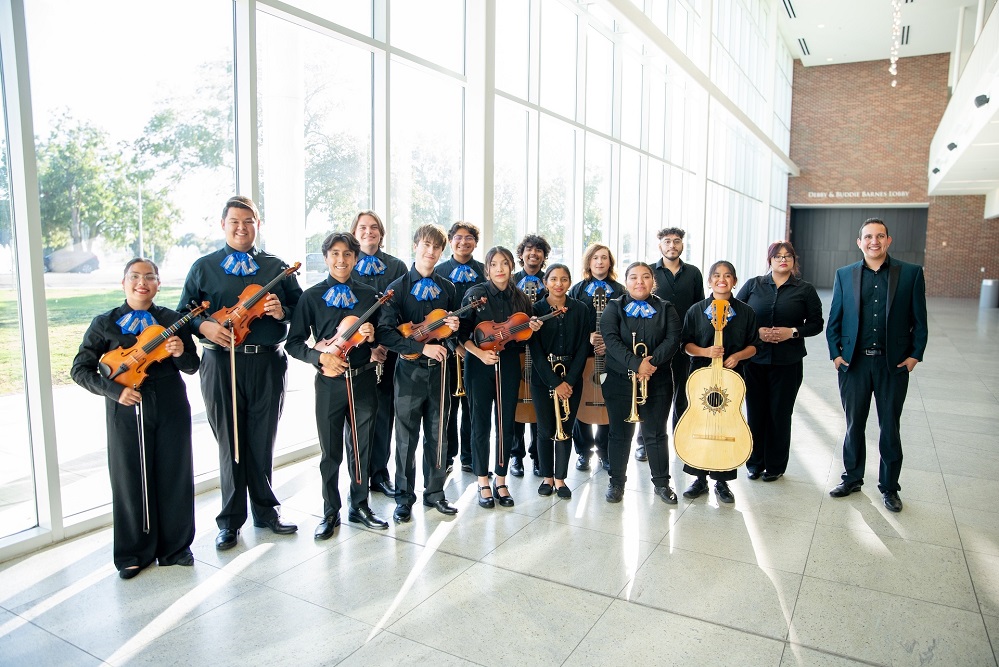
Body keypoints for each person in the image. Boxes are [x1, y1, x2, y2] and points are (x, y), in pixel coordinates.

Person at [178, 196, 302, 551]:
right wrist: (204, 327)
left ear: (257, 224)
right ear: (223, 225)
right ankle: (230, 521)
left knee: (262, 438)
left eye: (248, 221)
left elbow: (299, 309)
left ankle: (265, 511)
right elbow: (183, 313)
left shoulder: (275, 267)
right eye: (235, 221)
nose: (242, 227)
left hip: (266, 361)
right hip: (220, 363)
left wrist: (282, 313)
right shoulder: (204, 267)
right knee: (229, 442)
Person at [72, 259, 199, 579]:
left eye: (150, 277)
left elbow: (192, 366)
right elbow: (80, 370)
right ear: (124, 282)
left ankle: (176, 548)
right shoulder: (105, 323)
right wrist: (114, 391)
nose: (142, 282)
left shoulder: (172, 319)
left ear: (158, 284)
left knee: (174, 472)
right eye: (135, 277)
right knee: (130, 478)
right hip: (125, 405)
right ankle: (133, 552)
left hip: (170, 401)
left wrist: (180, 350)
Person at [286, 231, 389, 536]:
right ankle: (330, 512)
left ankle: (360, 506)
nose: (341, 260)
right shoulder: (311, 296)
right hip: (329, 382)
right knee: (330, 452)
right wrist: (319, 358)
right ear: (326, 257)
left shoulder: (371, 295)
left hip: (363, 381)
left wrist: (374, 340)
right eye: (335, 254)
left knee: (362, 448)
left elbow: (383, 338)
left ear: (356, 258)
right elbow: (293, 343)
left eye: (347, 254)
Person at [826, 218, 927, 513]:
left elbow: (920, 320)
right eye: (868, 237)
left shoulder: (909, 274)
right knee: (854, 425)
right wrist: (835, 354)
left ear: (888, 240)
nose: (874, 241)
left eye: (880, 236)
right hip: (854, 364)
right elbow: (835, 318)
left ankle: (890, 487)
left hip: (892, 365)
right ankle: (852, 478)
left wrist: (914, 356)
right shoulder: (844, 274)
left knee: (889, 428)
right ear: (860, 242)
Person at [377, 224, 461, 523]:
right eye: (426, 244)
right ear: (416, 245)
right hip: (409, 371)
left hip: (440, 371)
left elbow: (453, 335)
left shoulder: (449, 288)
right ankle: (403, 497)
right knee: (405, 437)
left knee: (438, 436)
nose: (431, 251)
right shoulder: (396, 288)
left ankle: (435, 493)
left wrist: (451, 336)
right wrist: (420, 347)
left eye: (437, 247)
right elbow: (385, 333)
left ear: (442, 251)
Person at [458, 246, 541, 508]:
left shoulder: (520, 298)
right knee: (479, 422)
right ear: (487, 268)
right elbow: (461, 335)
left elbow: (525, 335)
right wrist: (480, 355)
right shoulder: (475, 294)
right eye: (494, 264)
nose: (500, 269)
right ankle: (483, 480)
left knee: (506, 423)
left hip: (508, 363)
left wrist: (534, 327)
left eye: (504, 263)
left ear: (511, 267)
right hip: (479, 363)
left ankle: (501, 479)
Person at [736, 242, 824, 482]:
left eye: (788, 256)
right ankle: (755, 463)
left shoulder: (805, 290)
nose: (783, 260)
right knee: (756, 412)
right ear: (770, 260)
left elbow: (817, 323)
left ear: (794, 261)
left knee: (780, 414)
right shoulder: (753, 285)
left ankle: (775, 466)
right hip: (755, 361)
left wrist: (792, 332)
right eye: (778, 256)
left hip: (788, 362)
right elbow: (736, 314)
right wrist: (758, 331)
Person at [601, 262, 682, 505]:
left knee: (656, 433)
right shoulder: (614, 307)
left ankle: (661, 483)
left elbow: (673, 338)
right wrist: (637, 364)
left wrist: (651, 363)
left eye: (645, 277)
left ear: (653, 282)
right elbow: (611, 340)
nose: (640, 282)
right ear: (626, 282)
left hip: (657, 381)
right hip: (619, 382)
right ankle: (616, 483)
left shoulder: (667, 308)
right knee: (619, 434)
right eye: (634, 277)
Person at [679, 261, 760, 504]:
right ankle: (699, 479)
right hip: (700, 378)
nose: (721, 280)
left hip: (731, 381)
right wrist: (705, 352)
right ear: (709, 281)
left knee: (726, 423)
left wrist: (737, 356)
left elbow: (755, 345)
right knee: (699, 423)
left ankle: (722, 482)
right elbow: (686, 345)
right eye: (716, 275)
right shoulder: (696, 310)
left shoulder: (746, 312)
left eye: (727, 276)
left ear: (735, 281)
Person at [351, 210, 408, 499]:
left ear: (381, 234)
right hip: (355, 353)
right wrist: (367, 346)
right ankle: (357, 478)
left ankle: (379, 474)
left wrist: (383, 344)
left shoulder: (396, 267)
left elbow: (400, 309)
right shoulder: (346, 263)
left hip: (388, 352)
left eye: (374, 228)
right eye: (362, 227)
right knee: (358, 417)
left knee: (384, 414)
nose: (368, 232)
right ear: (354, 232)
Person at [528, 264, 591, 498]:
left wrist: (570, 381)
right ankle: (547, 477)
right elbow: (534, 351)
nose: (558, 284)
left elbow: (584, 347)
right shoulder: (535, 310)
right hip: (543, 377)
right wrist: (555, 383)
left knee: (565, 428)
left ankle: (561, 480)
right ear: (545, 283)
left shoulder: (581, 309)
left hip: (572, 376)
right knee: (545, 429)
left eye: (564, 279)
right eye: (553, 279)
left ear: (570, 282)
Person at [567, 243, 624, 473]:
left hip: (611, 355)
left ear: (610, 263)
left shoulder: (621, 290)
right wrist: (587, 336)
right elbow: (570, 321)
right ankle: (582, 452)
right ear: (588, 262)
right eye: (595, 258)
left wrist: (609, 343)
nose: (600, 262)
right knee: (581, 402)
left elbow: (627, 323)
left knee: (606, 403)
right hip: (582, 353)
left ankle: (604, 451)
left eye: (604, 258)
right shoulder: (577, 290)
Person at [650, 227, 705, 463]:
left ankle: (679, 438)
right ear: (659, 245)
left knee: (683, 393)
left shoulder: (693, 273)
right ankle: (647, 441)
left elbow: (700, 308)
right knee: (652, 394)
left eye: (677, 241)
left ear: (682, 244)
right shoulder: (649, 272)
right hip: (655, 343)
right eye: (667, 241)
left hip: (684, 343)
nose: (672, 245)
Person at [434, 222, 486, 473]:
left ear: (476, 242)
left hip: (477, 347)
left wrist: (473, 345)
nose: (463, 242)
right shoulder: (439, 271)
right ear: (450, 241)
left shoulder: (484, 271)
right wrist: (454, 344)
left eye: (469, 238)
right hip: (448, 347)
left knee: (472, 405)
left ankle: (469, 455)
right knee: (449, 406)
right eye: (458, 237)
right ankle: (447, 456)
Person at [510, 234, 551, 477]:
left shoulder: (550, 282)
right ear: (521, 253)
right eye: (528, 249)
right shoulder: (512, 280)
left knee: (538, 405)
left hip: (540, 349)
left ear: (544, 256)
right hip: (515, 349)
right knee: (516, 404)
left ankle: (537, 455)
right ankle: (516, 456)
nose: (533, 254)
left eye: (538, 250)